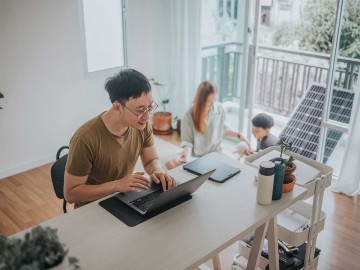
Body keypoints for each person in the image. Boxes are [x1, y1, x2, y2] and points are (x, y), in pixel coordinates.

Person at [64, 69, 175, 208]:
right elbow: (71, 194)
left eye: (150, 107)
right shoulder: (85, 139)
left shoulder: (142, 125)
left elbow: (151, 161)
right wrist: (117, 185)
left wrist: (157, 170)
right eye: (140, 110)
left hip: (124, 198)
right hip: (93, 208)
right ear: (117, 107)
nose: (147, 117)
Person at [165, 81, 249, 169]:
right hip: (196, 156)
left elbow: (225, 130)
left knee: (236, 166)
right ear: (201, 101)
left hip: (216, 154)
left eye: (214, 99)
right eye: (209, 101)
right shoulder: (189, 114)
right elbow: (187, 142)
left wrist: (239, 135)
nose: (213, 103)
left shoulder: (220, 109)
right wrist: (186, 158)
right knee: (169, 163)